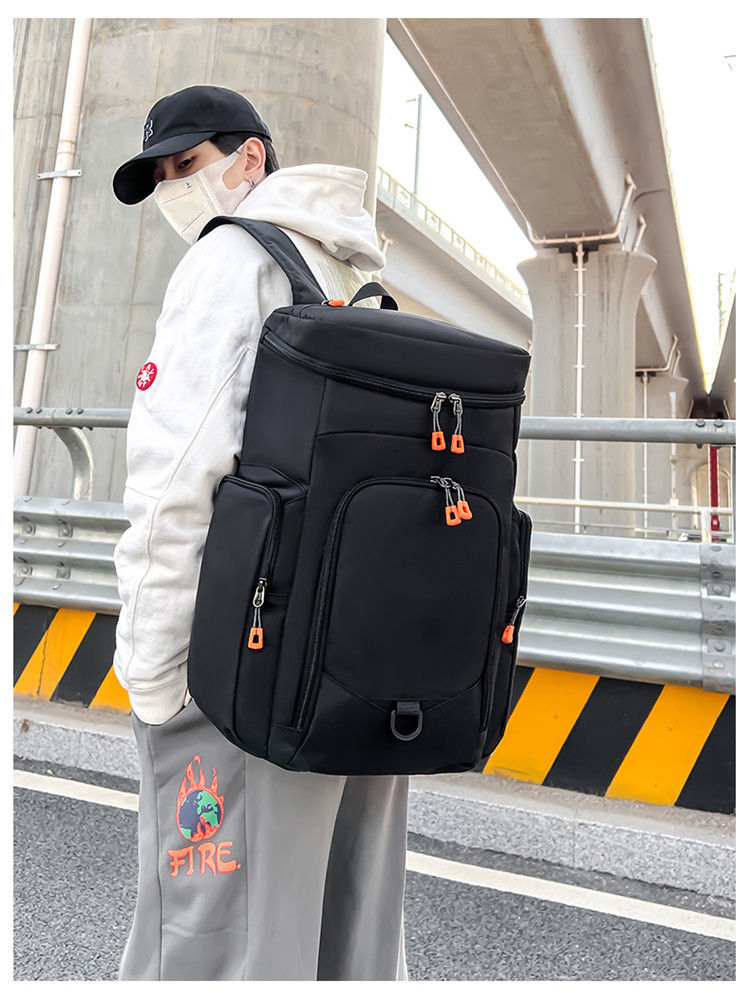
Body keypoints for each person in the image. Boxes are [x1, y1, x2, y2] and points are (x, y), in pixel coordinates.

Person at [111, 84, 409, 982]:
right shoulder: (357, 276)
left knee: (209, 941)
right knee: (346, 940)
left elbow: (176, 472)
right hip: (363, 660)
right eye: (163, 175)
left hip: (245, 666)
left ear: (251, 157)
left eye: (189, 163)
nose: (176, 188)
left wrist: (152, 668)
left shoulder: (229, 259)